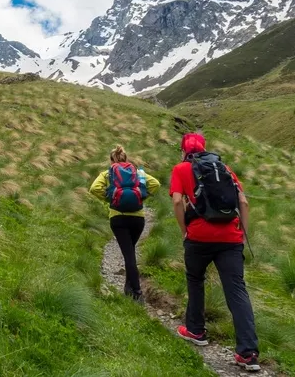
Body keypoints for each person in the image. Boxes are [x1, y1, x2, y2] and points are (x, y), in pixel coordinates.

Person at [171, 132, 261, 373]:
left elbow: (178, 201)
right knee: (237, 291)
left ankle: (196, 330)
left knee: (195, 279)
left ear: (184, 150)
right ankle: (248, 352)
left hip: (198, 236)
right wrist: (242, 231)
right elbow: (243, 202)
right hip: (230, 238)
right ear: (204, 148)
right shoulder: (224, 167)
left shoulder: (180, 169)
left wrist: (184, 231)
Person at [90, 145, 160, 302]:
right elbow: (155, 183)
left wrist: (109, 199)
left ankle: (137, 292)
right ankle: (129, 288)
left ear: (111, 160)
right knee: (130, 252)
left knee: (129, 256)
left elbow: (94, 188)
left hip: (118, 218)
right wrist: (142, 197)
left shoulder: (108, 173)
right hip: (138, 218)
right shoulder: (138, 173)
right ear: (126, 158)